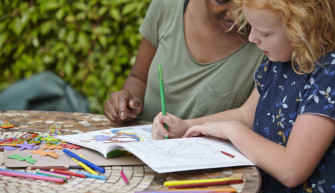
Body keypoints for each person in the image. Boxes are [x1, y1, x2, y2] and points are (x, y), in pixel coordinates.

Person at [152, 0, 335, 193]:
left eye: (264, 32)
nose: (251, 38)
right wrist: (189, 126)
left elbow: (292, 168)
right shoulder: (280, 62)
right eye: (250, 27)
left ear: (304, 27)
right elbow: (244, 115)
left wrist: (232, 131)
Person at [104, 0, 264, 123]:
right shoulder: (168, 5)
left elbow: (249, 119)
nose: (236, 14)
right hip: (146, 154)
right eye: (222, 0)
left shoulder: (269, 42)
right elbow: (138, 78)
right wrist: (128, 103)